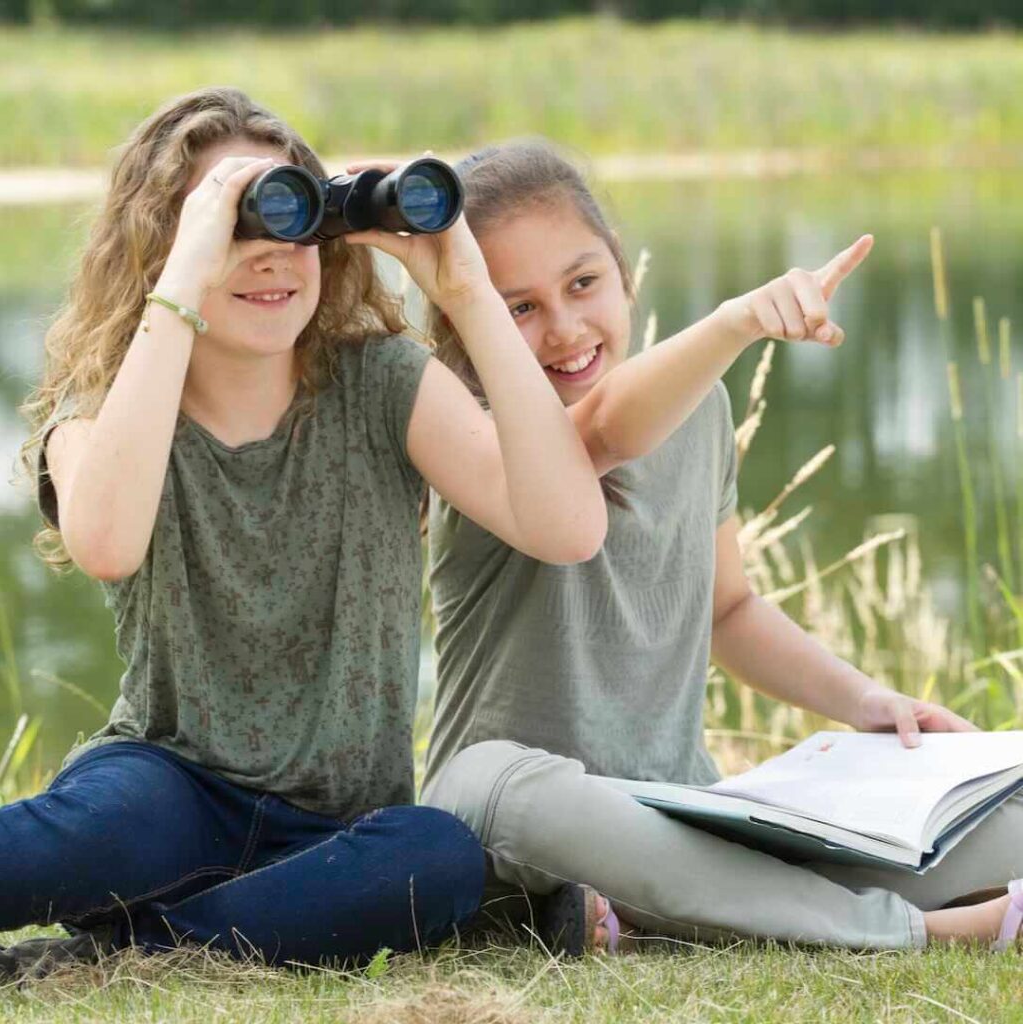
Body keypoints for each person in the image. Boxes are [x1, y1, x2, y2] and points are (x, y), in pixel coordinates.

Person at [8, 93, 608, 973]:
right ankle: (206, 927)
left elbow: (568, 527)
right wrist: (180, 281)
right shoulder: (110, 408)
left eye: (290, 218)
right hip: (163, 790)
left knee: (433, 856)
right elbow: (105, 542)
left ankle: (118, 952)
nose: (271, 258)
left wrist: (470, 294)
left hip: (337, 827)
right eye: (233, 224)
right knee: (81, 841)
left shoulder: (381, 383)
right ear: (162, 248)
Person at [421, 139, 1023, 955]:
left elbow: (729, 608)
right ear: (473, 320)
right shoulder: (476, 439)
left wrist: (868, 703)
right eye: (518, 308)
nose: (565, 328)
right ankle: (922, 933)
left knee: (1006, 816)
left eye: (583, 283)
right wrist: (738, 321)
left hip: (678, 812)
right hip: (508, 822)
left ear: (623, 274)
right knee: (504, 785)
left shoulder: (699, 412)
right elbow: (600, 430)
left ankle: (649, 918)